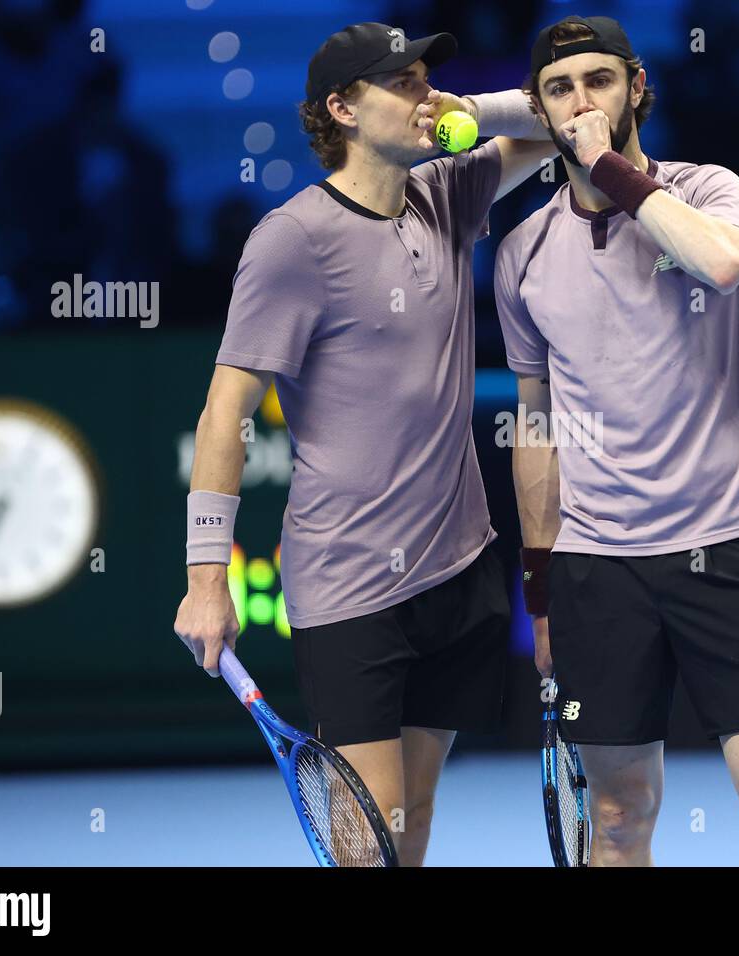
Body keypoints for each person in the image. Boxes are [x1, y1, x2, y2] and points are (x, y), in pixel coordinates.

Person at [174, 21, 556, 865]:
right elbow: (224, 410)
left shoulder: (449, 194)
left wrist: (472, 106)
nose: (426, 97)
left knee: (411, 822)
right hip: (351, 587)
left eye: (428, 79)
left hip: (458, 568)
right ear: (342, 108)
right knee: (369, 833)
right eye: (405, 83)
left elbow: (562, 118)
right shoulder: (291, 240)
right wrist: (207, 577)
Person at [496, 15, 739, 866]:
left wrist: (606, 164)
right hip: (598, 568)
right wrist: (539, 589)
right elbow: (536, 424)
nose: (582, 102)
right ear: (539, 108)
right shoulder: (523, 250)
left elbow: (720, 265)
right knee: (616, 817)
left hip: (731, 544)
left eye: (600, 81)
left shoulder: (711, 189)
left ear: (638, 87)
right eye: (561, 89)